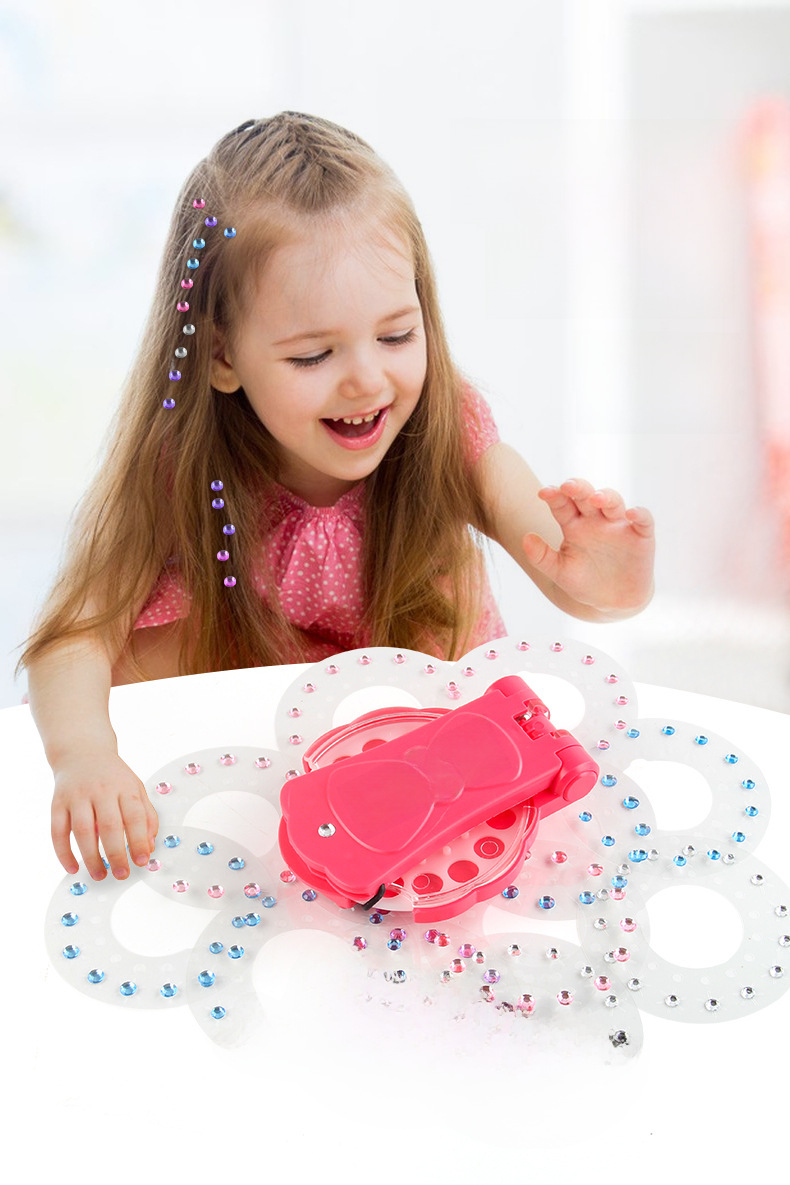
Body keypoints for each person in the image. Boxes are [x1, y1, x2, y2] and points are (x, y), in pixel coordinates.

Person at [19, 112, 655, 886]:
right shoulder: (179, 469)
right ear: (221, 354)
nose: (366, 379)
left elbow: (555, 560)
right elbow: (72, 637)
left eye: (396, 336)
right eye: (314, 354)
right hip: (258, 772)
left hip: (421, 766)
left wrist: (605, 582)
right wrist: (85, 756)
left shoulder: (444, 426)